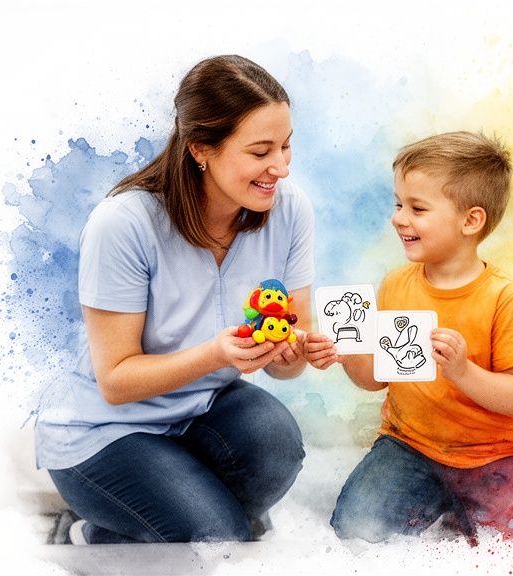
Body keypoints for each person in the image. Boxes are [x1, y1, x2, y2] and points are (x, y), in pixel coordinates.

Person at [34, 55, 314, 544]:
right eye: (261, 151)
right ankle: (99, 528)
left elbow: (287, 364)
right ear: (201, 148)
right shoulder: (124, 223)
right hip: (103, 431)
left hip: (201, 407)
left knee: (276, 442)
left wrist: (295, 353)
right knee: (215, 539)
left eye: (287, 147)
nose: (281, 168)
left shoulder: (288, 210)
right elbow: (117, 381)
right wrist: (215, 354)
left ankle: (147, 521)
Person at [306, 132, 513, 544]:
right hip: (409, 446)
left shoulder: (504, 299)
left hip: (495, 455)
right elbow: (375, 379)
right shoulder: (395, 285)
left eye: (417, 208)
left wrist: (462, 371)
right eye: (399, 204)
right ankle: (438, 505)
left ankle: (465, 514)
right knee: (355, 529)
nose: (399, 218)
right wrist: (346, 350)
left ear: (470, 221)